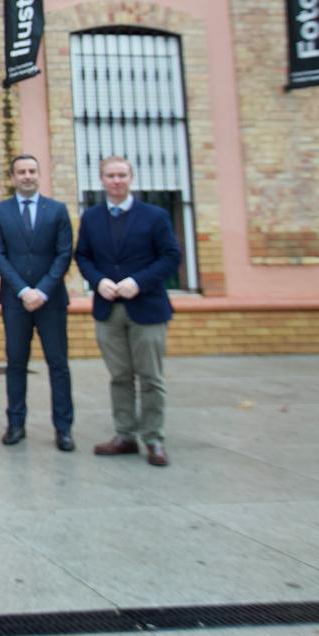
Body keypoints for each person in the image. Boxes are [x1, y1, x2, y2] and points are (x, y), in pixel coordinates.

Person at [75, 155, 182, 467]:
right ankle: (124, 434)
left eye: (122, 175)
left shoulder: (155, 216)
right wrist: (98, 281)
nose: (116, 181)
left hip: (146, 308)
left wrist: (139, 281)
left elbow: (170, 257)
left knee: (151, 377)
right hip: (109, 309)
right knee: (119, 375)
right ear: (102, 180)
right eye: (110, 176)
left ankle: (154, 438)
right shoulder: (92, 217)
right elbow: (83, 256)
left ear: (131, 178)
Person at [0, 153, 76, 450]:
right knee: (15, 363)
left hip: (50, 301)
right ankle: (15, 424)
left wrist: (43, 291)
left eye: (32, 171)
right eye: (21, 171)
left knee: (58, 365)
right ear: (12, 177)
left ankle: (63, 428)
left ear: (39, 175)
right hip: (15, 301)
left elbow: (64, 254)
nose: (27, 176)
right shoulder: (0, 212)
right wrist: (24, 291)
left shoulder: (57, 210)